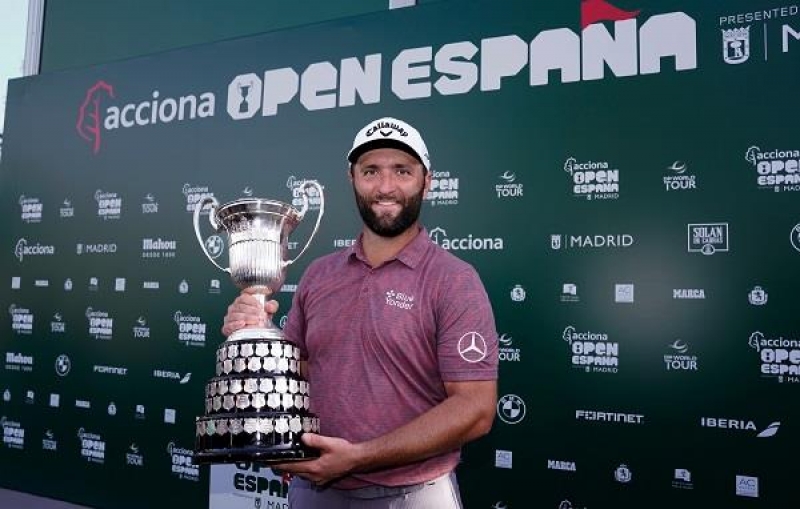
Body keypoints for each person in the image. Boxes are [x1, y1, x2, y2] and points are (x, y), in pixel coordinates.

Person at [222, 116, 498, 508]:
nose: (386, 187)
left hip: (413, 494)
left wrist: (360, 456)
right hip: (314, 491)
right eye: (371, 171)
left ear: (427, 181)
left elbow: (476, 409)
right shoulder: (319, 274)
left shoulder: (454, 280)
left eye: (402, 170)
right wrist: (253, 335)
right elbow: (296, 375)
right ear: (352, 178)